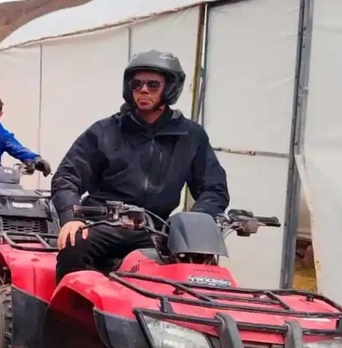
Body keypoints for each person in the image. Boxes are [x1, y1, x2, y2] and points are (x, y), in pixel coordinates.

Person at [50, 50, 230, 281]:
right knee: (75, 246)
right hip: (104, 224)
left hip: (155, 230)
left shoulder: (191, 136)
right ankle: (66, 317)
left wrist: (195, 222)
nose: (143, 90)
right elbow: (67, 176)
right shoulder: (104, 131)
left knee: (200, 263)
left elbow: (214, 188)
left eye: (153, 85)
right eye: (137, 84)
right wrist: (72, 216)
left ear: (170, 88)